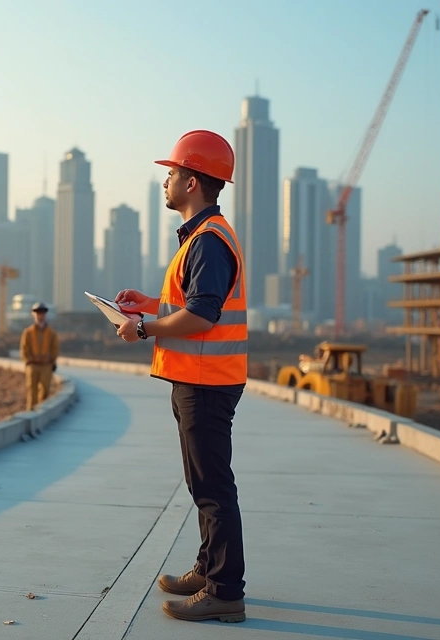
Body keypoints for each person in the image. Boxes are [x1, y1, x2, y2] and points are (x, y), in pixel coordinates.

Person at [114, 129, 248, 624]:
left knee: (213, 487)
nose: (165, 182)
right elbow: (189, 304)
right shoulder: (200, 238)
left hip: (207, 381)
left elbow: (202, 316)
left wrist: (144, 326)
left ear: (192, 182)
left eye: (171, 174)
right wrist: (148, 305)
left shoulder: (209, 242)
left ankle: (224, 591)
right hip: (200, 377)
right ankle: (207, 569)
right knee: (202, 484)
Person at [20, 301, 59, 410]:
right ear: (34, 314)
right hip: (32, 365)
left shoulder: (51, 333)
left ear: (45, 314)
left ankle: (41, 411)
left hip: (46, 365)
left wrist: (53, 361)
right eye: (37, 312)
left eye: (42, 312)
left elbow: (54, 348)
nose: (40, 315)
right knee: (31, 390)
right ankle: (31, 412)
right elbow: (24, 347)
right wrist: (27, 360)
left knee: (45, 389)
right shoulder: (28, 332)